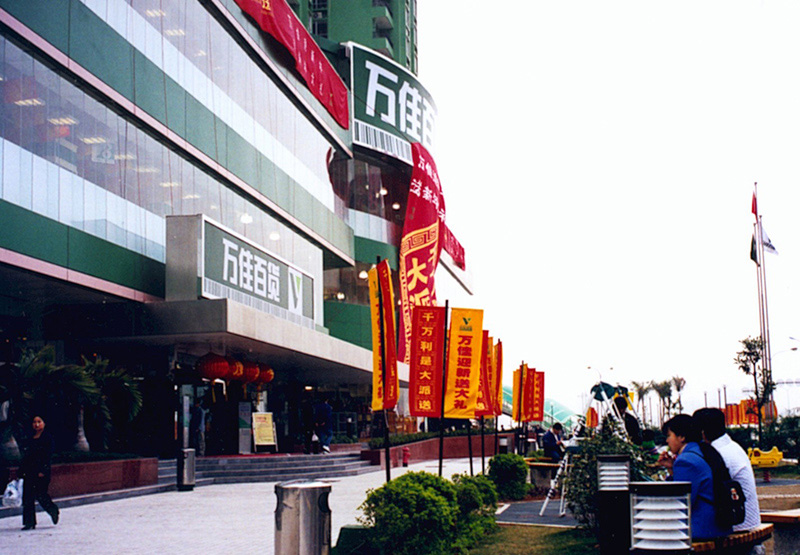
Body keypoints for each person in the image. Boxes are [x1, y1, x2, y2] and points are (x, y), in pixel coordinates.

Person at [658, 414, 731, 541]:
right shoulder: (701, 451)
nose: (667, 441)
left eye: (669, 435)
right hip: (716, 526)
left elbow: (680, 502)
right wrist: (672, 469)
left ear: (681, 437)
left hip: (700, 529)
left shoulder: (685, 461)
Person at [693, 408, 761, 536]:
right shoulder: (732, 446)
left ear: (702, 432)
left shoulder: (717, 454)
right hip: (748, 521)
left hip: (738, 527)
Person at [20, 415, 59, 531]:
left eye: (39, 421)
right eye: (34, 422)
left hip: (41, 471)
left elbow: (47, 456)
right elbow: (26, 456)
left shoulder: (47, 438)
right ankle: (29, 523)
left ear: (44, 423)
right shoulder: (30, 437)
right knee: (27, 497)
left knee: (41, 495)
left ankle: (53, 510)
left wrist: (43, 470)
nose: (36, 424)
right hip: (29, 471)